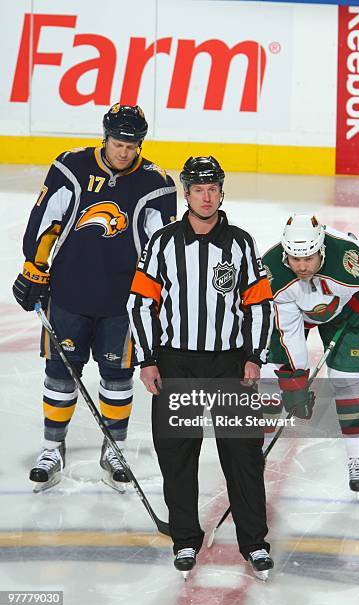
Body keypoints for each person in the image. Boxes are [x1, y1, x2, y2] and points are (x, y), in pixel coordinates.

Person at [12, 103, 177, 492]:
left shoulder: (156, 183)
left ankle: (115, 448)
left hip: (122, 304)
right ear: (106, 137)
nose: (125, 151)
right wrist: (35, 268)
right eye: (119, 142)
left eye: (132, 144)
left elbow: (162, 247)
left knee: (117, 377)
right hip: (69, 293)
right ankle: (53, 447)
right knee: (59, 373)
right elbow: (45, 221)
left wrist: (159, 294)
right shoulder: (71, 167)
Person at [127, 156, 274, 579]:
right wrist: (148, 358)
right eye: (197, 189)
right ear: (185, 194)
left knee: (243, 455)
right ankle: (185, 539)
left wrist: (253, 355)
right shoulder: (162, 242)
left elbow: (259, 303)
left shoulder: (242, 243)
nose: (206, 197)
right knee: (178, 456)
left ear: (221, 192)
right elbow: (140, 302)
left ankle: (254, 542)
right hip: (175, 363)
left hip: (230, 364)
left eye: (212, 189)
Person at [261, 213, 359, 492]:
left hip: (347, 311)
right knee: (270, 376)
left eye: (309, 259)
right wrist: (297, 377)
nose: (302, 267)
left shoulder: (348, 260)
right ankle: (254, 447)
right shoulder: (273, 274)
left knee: (348, 382)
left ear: (321, 249)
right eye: (295, 259)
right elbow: (289, 329)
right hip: (296, 316)